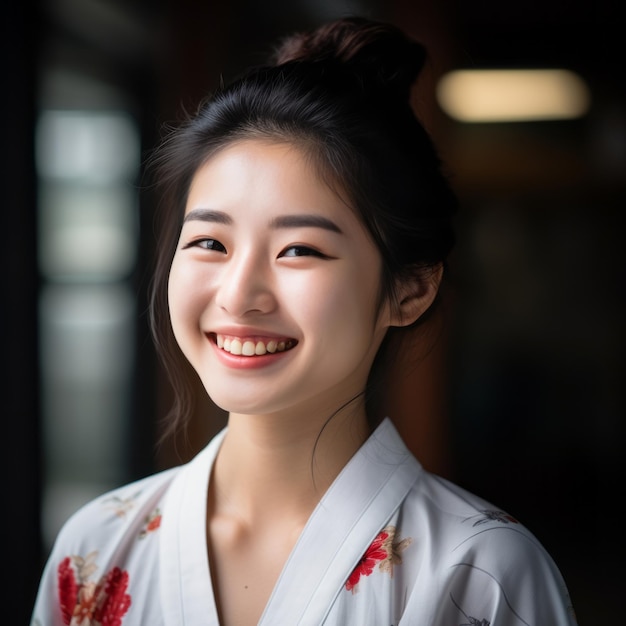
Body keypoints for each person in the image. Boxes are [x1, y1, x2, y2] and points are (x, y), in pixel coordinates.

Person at [31, 16, 578, 626]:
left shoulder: (480, 573)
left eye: (300, 250)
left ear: (411, 288)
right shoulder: (97, 549)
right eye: (210, 242)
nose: (239, 295)